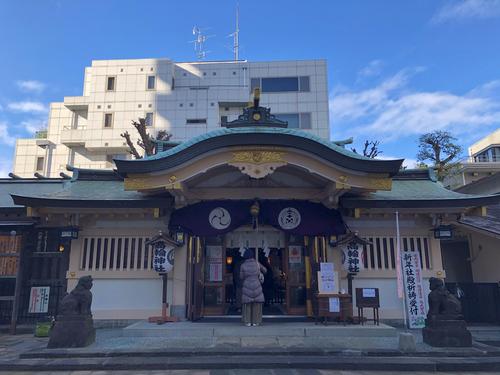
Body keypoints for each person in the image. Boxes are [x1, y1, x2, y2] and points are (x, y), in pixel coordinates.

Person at [240, 248, 267, 326]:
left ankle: (248, 322)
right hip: (257, 285)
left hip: (247, 286)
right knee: (257, 304)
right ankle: (256, 321)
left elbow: (241, 276)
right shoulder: (257, 264)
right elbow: (265, 270)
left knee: (247, 304)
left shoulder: (243, 265)